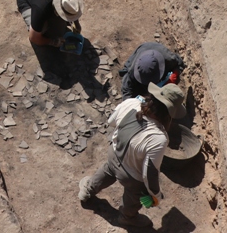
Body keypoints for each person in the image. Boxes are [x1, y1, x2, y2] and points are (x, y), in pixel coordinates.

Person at [78, 82, 187, 228]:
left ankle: (87, 191)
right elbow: (149, 174)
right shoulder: (159, 138)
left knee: (107, 171)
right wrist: (155, 195)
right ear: (170, 113)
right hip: (131, 177)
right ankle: (127, 218)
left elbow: (111, 121)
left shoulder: (132, 103)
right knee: (133, 196)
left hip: (114, 154)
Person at [16, 0, 83, 49]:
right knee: (43, 30)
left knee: (59, 28)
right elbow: (33, 38)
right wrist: (52, 41)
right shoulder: (40, 7)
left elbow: (72, 7)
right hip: (26, 0)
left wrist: (77, 24)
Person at [119, 42, 186, 100]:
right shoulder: (132, 70)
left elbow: (180, 64)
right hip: (142, 51)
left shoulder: (168, 58)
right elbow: (126, 91)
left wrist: (174, 75)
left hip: (158, 58)